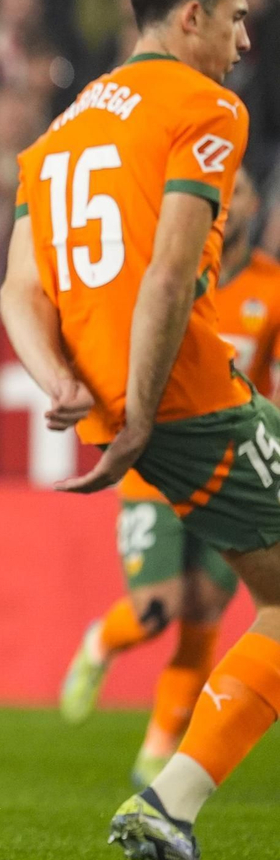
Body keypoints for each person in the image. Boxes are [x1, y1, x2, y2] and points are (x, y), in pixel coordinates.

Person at [1, 0, 267, 860]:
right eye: (236, 16)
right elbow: (166, 272)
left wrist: (64, 383)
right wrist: (148, 407)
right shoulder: (206, 109)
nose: (247, 38)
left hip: (124, 403)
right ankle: (171, 805)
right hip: (184, 397)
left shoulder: (60, 131)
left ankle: (172, 796)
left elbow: (16, 290)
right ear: (188, 17)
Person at [59, 169, 280, 788]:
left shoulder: (272, 287)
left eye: (242, 194)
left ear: (255, 207)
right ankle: (102, 640)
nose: (229, 207)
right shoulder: (171, 275)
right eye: (222, 195)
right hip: (157, 467)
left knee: (206, 608)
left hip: (233, 467)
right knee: (161, 607)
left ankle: (160, 750)